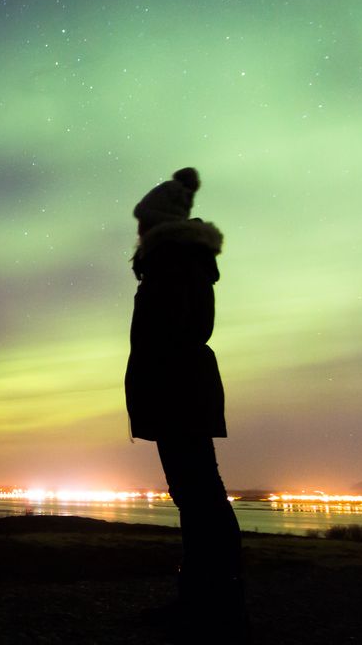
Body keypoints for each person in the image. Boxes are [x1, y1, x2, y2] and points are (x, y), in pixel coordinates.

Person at [124, 167, 247, 635]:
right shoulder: (177, 261)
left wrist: (158, 380)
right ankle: (207, 602)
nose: (138, 231)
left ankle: (214, 609)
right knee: (197, 496)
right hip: (180, 389)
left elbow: (173, 335)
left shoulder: (173, 262)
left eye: (143, 221)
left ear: (157, 222)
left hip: (178, 391)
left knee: (200, 497)